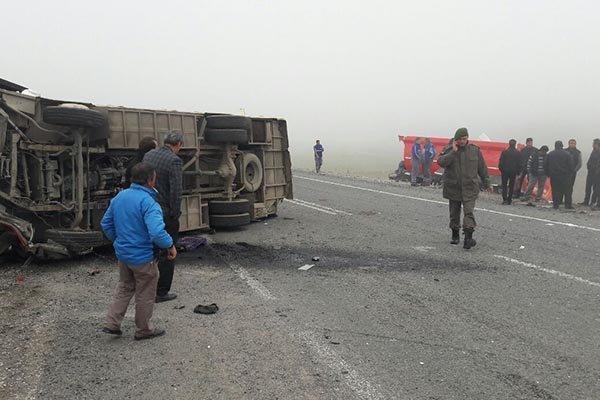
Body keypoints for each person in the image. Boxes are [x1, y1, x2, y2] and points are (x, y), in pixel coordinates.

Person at [101, 163, 177, 340]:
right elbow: (157, 232)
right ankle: (144, 330)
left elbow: (105, 224)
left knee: (124, 287)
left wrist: (118, 241)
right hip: (143, 257)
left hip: (124, 255)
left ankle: (112, 323)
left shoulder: (119, 197)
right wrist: (170, 245)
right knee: (145, 292)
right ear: (151, 180)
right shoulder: (149, 203)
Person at [143, 132, 184, 303]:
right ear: (179, 144)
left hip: (146, 208)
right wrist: (175, 213)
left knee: (149, 251)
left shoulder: (148, 155)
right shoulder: (174, 161)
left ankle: (145, 288)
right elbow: (176, 191)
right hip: (165, 212)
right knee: (168, 252)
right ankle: (161, 291)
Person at [438, 127, 489, 249]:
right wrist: (453, 152)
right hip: (453, 188)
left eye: (464, 138)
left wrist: (487, 182)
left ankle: (468, 238)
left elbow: (482, 167)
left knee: (469, 212)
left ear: (467, 138)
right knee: (454, 213)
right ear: (455, 140)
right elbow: (441, 162)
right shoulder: (449, 150)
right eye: (460, 139)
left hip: (470, 187)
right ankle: (455, 234)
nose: (462, 141)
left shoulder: (474, 150)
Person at [545, 140, 575, 209]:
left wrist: (548, 174)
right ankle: (568, 205)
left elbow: (546, 165)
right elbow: (571, 166)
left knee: (555, 190)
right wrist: (570, 174)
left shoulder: (550, 154)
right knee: (567, 191)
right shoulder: (567, 154)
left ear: (555, 146)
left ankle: (555, 205)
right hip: (565, 176)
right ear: (562, 146)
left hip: (554, 176)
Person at [498, 139, 520, 205]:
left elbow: (501, 162)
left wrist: (501, 170)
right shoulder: (518, 153)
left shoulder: (504, 152)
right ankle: (509, 199)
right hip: (513, 172)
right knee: (511, 185)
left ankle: (504, 199)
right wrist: (518, 172)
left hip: (505, 171)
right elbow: (519, 163)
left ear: (509, 144)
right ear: (515, 144)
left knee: (504, 185)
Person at [581, 139, 600, 206]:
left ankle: (594, 202)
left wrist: (596, 170)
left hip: (597, 174)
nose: (593, 145)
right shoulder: (593, 151)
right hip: (590, 173)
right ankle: (586, 202)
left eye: (594, 144)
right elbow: (589, 161)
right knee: (588, 188)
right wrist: (588, 166)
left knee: (596, 189)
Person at [565, 139, 582, 206]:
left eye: (574, 143)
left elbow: (579, 163)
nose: (572, 144)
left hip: (572, 173)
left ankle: (568, 201)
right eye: (571, 143)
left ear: (575, 144)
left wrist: (575, 170)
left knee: (570, 187)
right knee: (563, 186)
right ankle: (562, 200)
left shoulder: (578, 152)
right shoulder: (565, 151)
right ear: (568, 144)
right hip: (565, 172)